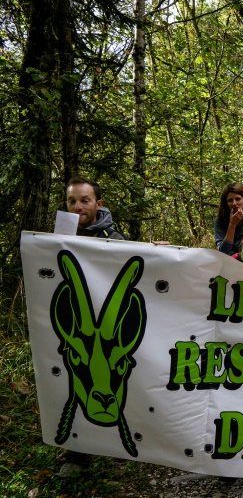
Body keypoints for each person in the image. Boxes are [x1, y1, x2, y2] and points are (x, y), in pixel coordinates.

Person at [57, 176, 126, 478]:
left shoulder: (114, 237)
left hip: (108, 332)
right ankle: (76, 455)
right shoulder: (58, 235)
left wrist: (160, 251)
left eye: (85, 200)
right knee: (76, 385)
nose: (78, 207)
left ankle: (120, 443)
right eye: (72, 201)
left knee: (110, 386)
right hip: (76, 331)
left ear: (98, 204)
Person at [213, 182, 243, 256]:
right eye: (230, 200)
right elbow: (223, 252)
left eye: (238, 199)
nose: (234, 203)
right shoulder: (220, 220)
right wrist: (232, 225)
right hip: (230, 260)